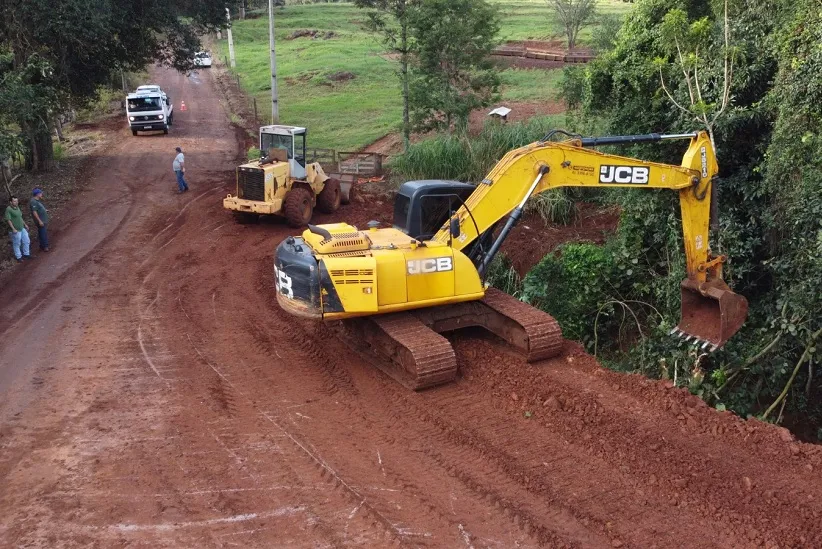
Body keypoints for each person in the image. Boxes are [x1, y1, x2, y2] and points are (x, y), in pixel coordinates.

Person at [4, 195, 32, 262]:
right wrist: (13, 229)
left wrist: (25, 224)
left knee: (26, 240)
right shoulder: (8, 209)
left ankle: (26, 254)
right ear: (10, 202)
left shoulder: (17, 207)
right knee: (17, 243)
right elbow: (8, 220)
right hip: (15, 230)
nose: (16, 202)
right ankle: (18, 257)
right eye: (14, 201)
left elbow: (20, 217)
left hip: (22, 228)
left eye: (17, 201)